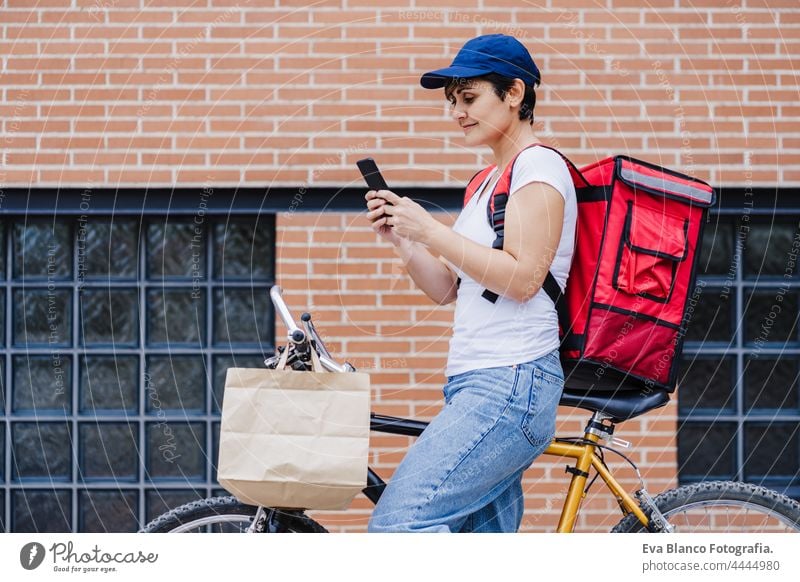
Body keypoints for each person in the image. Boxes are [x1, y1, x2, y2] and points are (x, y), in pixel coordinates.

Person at [364, 34, 577, 533]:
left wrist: (431, 229)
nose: (456, 112)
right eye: (452, 102)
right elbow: (447, 289)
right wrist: (406, 240)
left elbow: (523, 279)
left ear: (514, 94)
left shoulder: (538, 168)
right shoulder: (485, 182)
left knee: (397, 527)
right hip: (473, 380)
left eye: (469, 98)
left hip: (511, 379)